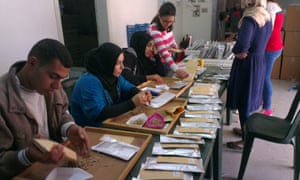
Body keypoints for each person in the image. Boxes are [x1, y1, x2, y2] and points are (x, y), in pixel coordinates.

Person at [0, 39, 90, 179]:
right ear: (32, 63)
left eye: (62, 79)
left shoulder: (52, 88)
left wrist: (69, 128)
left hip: (55, 168)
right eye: (53, 77)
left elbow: (62, 113)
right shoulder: (3, 99)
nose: (58, 86)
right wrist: (28, 155)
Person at [226, 0, 272, 150]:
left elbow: (241, 46)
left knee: (243, 100)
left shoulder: (250, 18)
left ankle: (246, 140)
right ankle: (246, 130)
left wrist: (238, 51)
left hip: (247, 64)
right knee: (249, 97)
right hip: (258, 61)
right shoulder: (265, 16)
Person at [71, 42, 152, 127]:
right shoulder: (88, 82)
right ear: (108, 63)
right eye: (118, 63)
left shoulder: (112, 75)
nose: (123, 67)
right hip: (91, 131)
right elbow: (99, 114)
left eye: (123, 62)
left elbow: (128, 87)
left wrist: (140, 93)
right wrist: (132, 103)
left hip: (110, 123)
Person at [147, 2, 189, 79]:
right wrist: (176, 70)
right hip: (158, 64)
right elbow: (163, 52)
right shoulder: (154, 30)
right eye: (165, 21)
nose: (168, 24)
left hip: (168, 61)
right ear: (159, 16)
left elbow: (171, 40)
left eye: (171, 21)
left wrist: (176, 48)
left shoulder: (168, 27)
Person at [262, 0, 284, 116]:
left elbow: (268, 29)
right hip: (274, 46)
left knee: (265, 77)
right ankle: (262, 99)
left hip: (270, 47)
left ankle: (267, 108)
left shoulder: (270, 6)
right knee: (262, 76)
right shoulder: (276, 6)